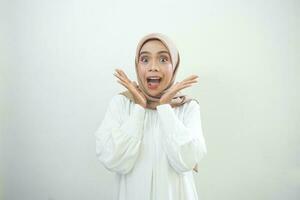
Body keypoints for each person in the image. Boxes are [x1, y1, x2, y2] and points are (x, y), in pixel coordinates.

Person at [94, 33, 208, 200]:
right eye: (145, 59)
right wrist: (139, 108)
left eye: (163, 59)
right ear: (137, 64)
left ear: (174, 65)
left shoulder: (188, 107)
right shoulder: (121, 103)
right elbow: (113, 159)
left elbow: (187, 160)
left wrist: (165, 109)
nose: (153, 67)